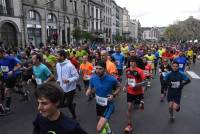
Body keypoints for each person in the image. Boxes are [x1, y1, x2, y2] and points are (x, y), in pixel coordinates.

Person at [86, 60, 121, 134]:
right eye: (96, 68)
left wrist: (113, 95)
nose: (98, 71)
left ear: (104, 69)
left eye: (100, 69)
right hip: (98, 104)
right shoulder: (93, 78)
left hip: (108, 105)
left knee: (99, 128)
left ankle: (108, 131)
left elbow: (119, 87)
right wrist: (88, 91)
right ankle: (109, 131)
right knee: (99, 118)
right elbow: (90, 86)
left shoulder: (111, 79)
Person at [124, 58, 146, 133]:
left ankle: (141, 103)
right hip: (130, 92)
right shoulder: (127, 70)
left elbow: (145, 82)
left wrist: (137, 84)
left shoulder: (140, 71)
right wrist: (125, 86)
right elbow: (128, 79)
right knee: (129, 107)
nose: (131, 64)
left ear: (136, 63)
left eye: (133, 62)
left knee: (139, 106)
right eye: (130, 62)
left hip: (138, 92)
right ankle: (129, 124)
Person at [56, 50, 79, 119]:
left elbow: (77, 76)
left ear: (62, 57)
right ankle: (72, 105)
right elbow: (59, 76)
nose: (56, 57)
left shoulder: (70, 65)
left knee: (68, 104)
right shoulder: (57, 65)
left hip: (70, 88)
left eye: (57, 56)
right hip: (61, 88)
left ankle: (74, 115)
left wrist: (69, 80)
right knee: (60, 104)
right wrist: (58, 80)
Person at [0, 48, 21, 113]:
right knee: (14, 89)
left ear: (2, 53)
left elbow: (18, 66)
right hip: (5, 77)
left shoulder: (11, 58)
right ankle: (24, 93)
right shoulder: (0, 59)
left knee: (7, 91)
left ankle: (7, 108)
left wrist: (12, 71)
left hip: (11, 77)